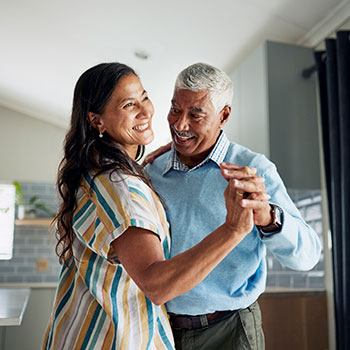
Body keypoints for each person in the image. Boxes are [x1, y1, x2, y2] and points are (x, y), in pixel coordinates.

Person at [42, 62, 265, 350]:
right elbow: (157, 284)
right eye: (128, 105)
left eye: (144, 97)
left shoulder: (102, 173)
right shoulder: (122, 186)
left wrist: (141, 168)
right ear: (97, 121)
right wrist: (233, 230)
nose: (146, 111)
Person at [145, 62, 322, 350]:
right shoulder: (152, 171)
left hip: (231, 329)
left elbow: (307, 257)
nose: (180, 125)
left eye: (196, 114)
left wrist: (268, 217)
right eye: (175, 109)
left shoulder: (254, 169)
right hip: (161, 327)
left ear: (224, 115)